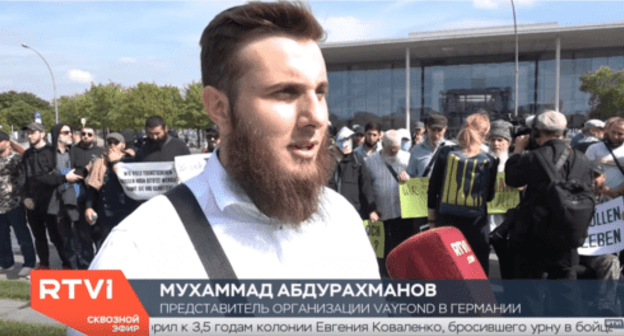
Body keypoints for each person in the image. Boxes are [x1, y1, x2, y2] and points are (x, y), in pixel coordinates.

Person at [87, 2, 379, 279]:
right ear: (219, 107)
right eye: (285, 93)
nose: (316, 117)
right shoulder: (138, 253)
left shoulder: (342, 221)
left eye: (320, 92)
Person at [505, 110, 592, 316]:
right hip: (568, 236)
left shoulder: (534, 157)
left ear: (538, 133)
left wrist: (518, 149)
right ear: (563, 132)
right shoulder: (582, 159)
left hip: (534, 238)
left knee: (530, 296)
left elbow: (511, 179)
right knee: (567, 295)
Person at [427, 112, 498, 274]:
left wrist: (432, 220)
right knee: (476, 270)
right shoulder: (489, 160)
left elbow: (433, 189)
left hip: (446, 221)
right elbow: (489, 197)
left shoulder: (445, 152)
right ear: (486, 133)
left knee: (448, 268)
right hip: (476, 225)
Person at [21, 122, 71, 270]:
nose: (29, 135)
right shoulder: (27, 154)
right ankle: (44, 264)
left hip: (51, 201)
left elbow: (59, 175)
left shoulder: (53, 151)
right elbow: (23, 178)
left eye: (33, 132)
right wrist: (25, 198)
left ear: (42, 134)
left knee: (57, 236)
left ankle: (66, 264)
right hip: (32, 202)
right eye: (28, 133)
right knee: (39, 236)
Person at [363, 130, 411, 277]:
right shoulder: (370, 161)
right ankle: (383, 276)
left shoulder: (407, 158)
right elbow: (366, 188)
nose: (393, 152)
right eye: (390, 149)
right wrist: (371, 209)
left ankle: (400, 275)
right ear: (382, 144)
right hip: (380, 214)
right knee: (382, 250)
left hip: (402, 213)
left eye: (396, 149)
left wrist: (409, 178)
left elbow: (418, 181)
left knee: (401, 246)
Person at [47, 123, 93, 270]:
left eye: (71, 132)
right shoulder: (49, 154)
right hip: (58, 202)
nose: (70, 135)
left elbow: (85, 169)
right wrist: (64, 177)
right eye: (66, 132)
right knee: (65, 239)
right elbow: (44, 176)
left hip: (78, 200)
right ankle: (73, 268)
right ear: (57, 136)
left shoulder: (75, 151)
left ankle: (87, 268)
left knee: (84, 237)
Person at [84, 133, 140, 251]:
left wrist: (117, 161)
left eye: (116, 143)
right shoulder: (99, 162)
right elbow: (92, 188)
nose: (112, 145)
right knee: (103, 248)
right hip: (103, 214)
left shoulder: (130, 161)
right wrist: (89, 207)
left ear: (123, 145)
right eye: (110, 143)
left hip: (124, 213)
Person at [0, 131, 36, 277]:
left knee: (22, 235)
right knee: (2, 237)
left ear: (7, 142)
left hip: (15, 204)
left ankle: (29, 263)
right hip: (0, 205)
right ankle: (7, 263)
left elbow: (24, 179)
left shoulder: (17, 159)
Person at [328, 127, 375, 220]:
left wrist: (371, 209)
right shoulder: (326, 161)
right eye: (344, 139)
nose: (347, 142)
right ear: (337, 141)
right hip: (331, 211)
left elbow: (366, 186)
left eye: (349, 139)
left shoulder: (357, 160)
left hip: (352, 211)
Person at [407, 113, 453, 178]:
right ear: (427, 128)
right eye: (433, 130)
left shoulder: (451, 148)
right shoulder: (416, 149)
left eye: (440, 130)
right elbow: (411, 174)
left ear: (445, 129)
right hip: (423, 187)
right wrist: (404, 175)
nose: (436, 134)